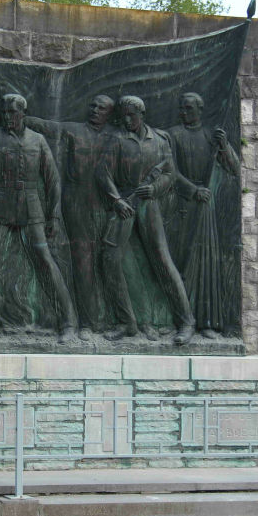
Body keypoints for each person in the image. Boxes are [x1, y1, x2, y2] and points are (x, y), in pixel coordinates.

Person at [0, 94, 78, 345]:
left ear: (23, 114)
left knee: (44, 261)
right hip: (0, 205)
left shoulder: (38, 140)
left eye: (13, 113)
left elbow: (52, 180)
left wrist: (53, 214)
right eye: (5, 113)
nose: (8, 117)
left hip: (31, 208)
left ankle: (68, 324)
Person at [96, 95, 195, 345]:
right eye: (124, 115)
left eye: (131, 115)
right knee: (110, 259)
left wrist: (156, 188)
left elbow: (170, 173)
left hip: (149, 204)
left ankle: (186, 322)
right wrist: (116, 200)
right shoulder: (117, 139)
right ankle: (126, 322)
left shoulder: (160, 140)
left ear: (142, 114)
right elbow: (103, 173)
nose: (127, 120)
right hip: (125, 203)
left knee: (163, 260)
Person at [24, 95, 115, 336]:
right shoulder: (75, 130)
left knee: (109, 263)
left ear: (109, 114)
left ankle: (115, 321)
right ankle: (86, 323)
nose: (95, 110)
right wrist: (21, 117)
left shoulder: (116, 136)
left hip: (107, 205)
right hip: (76, 204)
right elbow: (49, 127)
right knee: (83, 263)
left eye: (101, 108)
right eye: (92, 105)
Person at [167, 92, 240, 339]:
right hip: (183, 205)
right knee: (182, 264)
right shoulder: (172, 135)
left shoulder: (211, 136)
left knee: (207, 265)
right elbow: (170, 171)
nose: (183, 112)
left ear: (199, 109)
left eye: (188, 108)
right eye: (181, 108)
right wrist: (192, 190)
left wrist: (225, 146)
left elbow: (234, 169)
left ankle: (206, 322)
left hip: (207, 207)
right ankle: (178, 320)